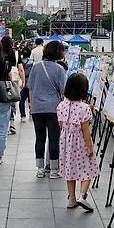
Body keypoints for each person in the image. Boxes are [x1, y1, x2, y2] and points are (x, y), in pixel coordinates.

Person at [57, 73, 97, 211]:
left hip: (66, 143)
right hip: (80, 142)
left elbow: (61, 124)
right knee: (88, 168)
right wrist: (89, 147)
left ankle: (71, 199)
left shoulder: (61, 105)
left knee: (70, 169)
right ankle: (82, 196)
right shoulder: (84, 107)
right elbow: (86, 131)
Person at [27, 41, 67, 179]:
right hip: (53, 109)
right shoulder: (59, 69)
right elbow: (64, 91)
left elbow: (30, 88)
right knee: (54, 139)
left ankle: (40, 169)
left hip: (37, 108)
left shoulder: (36, 67)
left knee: (40, 138)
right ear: (58, 52)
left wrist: (31, 106)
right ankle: (54, 170)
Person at [2, 36, 25, 135]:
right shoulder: (16, 53)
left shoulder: (0, 54)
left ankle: (3, 123)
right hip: (14, 80)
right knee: (13, 102)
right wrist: (23, 80)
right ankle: (12, 124)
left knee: (3, 102)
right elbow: (20, 69)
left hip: (2, 80)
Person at [19, 47, 33, 122]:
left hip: (22, 83)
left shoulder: (20, 62)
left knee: (22, 100)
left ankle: (22, 115)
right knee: (31, 99)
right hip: (31, 82)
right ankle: (31, 112)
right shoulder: (32, 62)